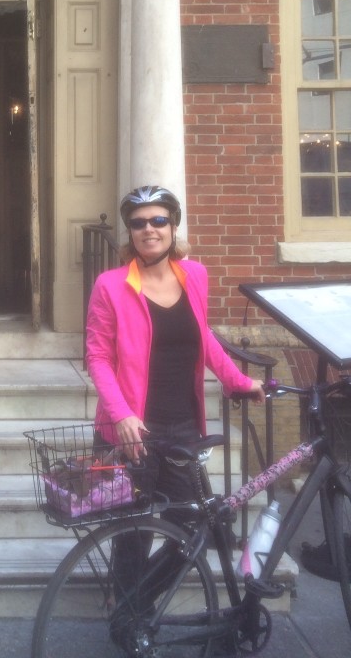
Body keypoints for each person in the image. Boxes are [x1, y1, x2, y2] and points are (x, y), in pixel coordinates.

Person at [86, 184, 265, 505]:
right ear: (130, 232)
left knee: (189, 524)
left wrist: (238, 381)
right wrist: (121, 415)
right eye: (138, 223)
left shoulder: (194, 275)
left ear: (173, 226)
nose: (149, 229)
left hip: (183, 424)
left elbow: (202, 337)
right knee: (132, 538)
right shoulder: (110, 285)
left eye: (158, 220)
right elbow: (97, 358)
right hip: (135, 427)